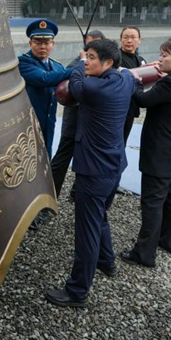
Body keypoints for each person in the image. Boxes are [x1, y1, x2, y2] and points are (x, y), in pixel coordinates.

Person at [45, 39, 137, 307]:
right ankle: (107, 262)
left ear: (108, 63)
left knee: (86, 232)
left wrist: (77, 61)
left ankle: (77, 291)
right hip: (114, 167)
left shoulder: (94, 88)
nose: (87, 61)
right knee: (100, 218)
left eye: (92, 57)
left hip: (93, 171)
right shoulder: (124, 81)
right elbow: (133, 77)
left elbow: (75, 81)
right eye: (87, 56)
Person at [120, 38, 171, 268]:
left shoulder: (169, 84)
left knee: (152, 203)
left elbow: (142, 100)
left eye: (165, 56)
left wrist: (133, 79)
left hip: (160, 151)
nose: (160, 59)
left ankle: (144, 253)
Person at [50, 29, 106, 200]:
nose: (93, 47)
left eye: (97, 43)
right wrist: (83, 62)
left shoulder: (105, 66)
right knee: (62, 157)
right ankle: (50, 196)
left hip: (92, 122)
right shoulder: (78, 63)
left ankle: (78, 193)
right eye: (90, 43)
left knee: (87, 160)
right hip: (74, 120)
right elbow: (69, 83)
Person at [18, 19, 71, 158]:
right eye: (38, 42)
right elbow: (44, 78)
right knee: (28, 157)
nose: (43, 46)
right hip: (29, 121)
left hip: (49, 120)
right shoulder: (23, 62)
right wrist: (77, 69)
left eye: (47, 43)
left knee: (46, 152)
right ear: (30, 43)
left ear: (52, 44)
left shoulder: (57, 66)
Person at [119, 27, 146, 145]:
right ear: (121, 40)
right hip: (118, 107)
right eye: (126, 37)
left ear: (139, 40)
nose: (129, 41)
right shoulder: (115, 58)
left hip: (131, 107)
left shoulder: (141, 60)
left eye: (133, 37)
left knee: (123, 142)